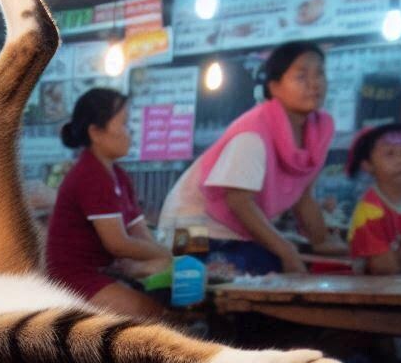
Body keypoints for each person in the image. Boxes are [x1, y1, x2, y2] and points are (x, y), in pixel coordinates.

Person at [158, 41, 346, 275]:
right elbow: (239, 201)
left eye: (319, 73)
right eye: (301, 76)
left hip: (234, 233)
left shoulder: (318, 132)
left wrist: (323, 243)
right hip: (187, 228)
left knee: (306, 264)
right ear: (275, 87)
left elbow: (304, 197)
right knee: (260, 271)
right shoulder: (253, 132)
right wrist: (286, 251)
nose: (314, 83)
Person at [45, 88, 171, 318]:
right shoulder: (90, 174)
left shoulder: (119, 177)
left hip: (104, 275)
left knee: (167, 311)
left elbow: (141, 236)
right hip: (73, 280)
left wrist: (162, 258)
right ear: (96, 132)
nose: (129, 132)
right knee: (153, 316)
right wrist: (166, 256)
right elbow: (118, 244)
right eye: (123, 124)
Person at [346, 123, 401, 274]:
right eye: (390, 154)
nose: (400, 160)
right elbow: (385, 268)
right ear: (368, 166)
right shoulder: (370, 210)